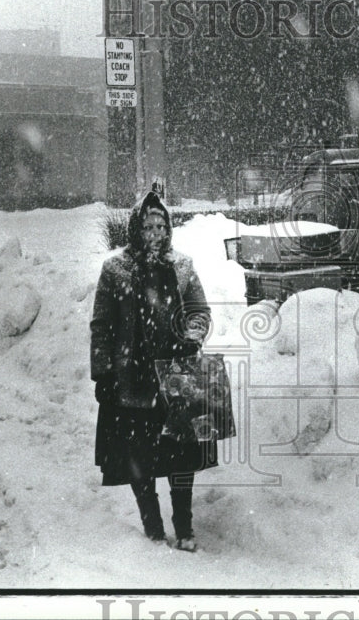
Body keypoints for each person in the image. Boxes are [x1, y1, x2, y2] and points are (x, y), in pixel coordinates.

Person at [90, 190, 214, 552]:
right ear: (135, 229)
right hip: (132, 379)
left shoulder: (183, 266)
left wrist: (193, 336)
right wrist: (104, 374)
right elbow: (102, 325)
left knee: (181, 455)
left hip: (176, 376)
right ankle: (153, 527)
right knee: (139, 456)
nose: (155, 232)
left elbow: (199, 310)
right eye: (148, 226)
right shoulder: (115, 270)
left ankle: (185, 526)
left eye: (161, 225)